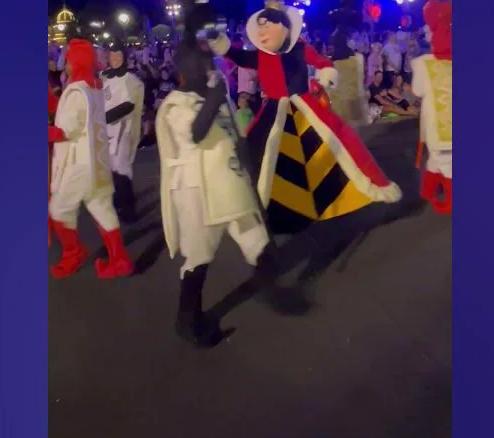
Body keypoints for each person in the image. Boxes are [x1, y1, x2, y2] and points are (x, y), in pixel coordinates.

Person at [156, 32, 307, 348]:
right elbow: (196, 132)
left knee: (258, 241)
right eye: (202, 61)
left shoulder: (216, 94)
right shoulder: (175, 105)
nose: (209, 66)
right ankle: (187, 321)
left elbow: (235, 136)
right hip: (198, 194)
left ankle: (273, 293)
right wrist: (216, 95)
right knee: (199, 256)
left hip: (230, 183)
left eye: (208, 60)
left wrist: (249, 170)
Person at [209, 0, 401, 233]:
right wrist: (222, 45)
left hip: (305, 107)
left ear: (283, 27)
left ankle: (350, 193)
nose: (262, 32)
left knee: (338, 142)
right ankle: (269, 214)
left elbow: (322, 62)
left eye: (267, 25)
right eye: (260, 27)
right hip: (274, 111)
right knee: (257, 153)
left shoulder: (299, 48)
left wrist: (325, 75)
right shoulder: (260, 55)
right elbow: (238, 56)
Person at [47, 37, 135, 279]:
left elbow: (66, 131)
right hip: (98, 160)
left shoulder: (76, 91)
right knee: (102, 208)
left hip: (79, 162)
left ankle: (73, 253)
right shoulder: (94, 86)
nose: (65, 64)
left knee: (59, 209)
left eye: (68, 60)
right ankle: (119, 260)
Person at [410, 0, 452, 214]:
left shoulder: (423, 63)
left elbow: (418, 91)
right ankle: (428, 192)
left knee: (445, 161)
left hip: (438, 124)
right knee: (437, 160)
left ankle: (450, 203)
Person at [101, 43, 145, 223]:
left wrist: (104, 117)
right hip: (104, 131)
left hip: (123, 130)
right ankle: (115, 204)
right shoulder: (103, 77)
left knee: (122, 168)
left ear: (124, 57)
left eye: (118, 55)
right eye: (112, 55)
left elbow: (129, 105)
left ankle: (128, 209)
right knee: (108, 169)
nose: (115, 59)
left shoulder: (132, 80)